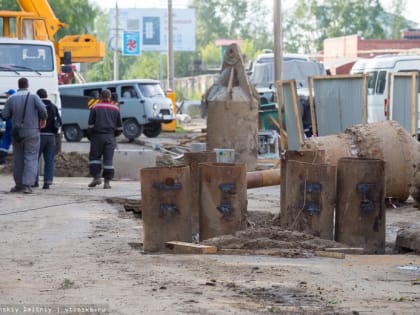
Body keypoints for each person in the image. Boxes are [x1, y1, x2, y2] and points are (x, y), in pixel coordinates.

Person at [1, 77, 47, 194]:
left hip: (17, 132)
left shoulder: (11, 98)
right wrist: (42, 119)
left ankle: (18, 185)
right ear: (27, 85)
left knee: (18, 158)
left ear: (18, 85)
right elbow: (43, 110)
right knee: (31, 157)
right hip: (32, 131)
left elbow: (5, 115)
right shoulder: (34, 97)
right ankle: (27, 185)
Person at [87, 89, 122, 189]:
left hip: (97, 136)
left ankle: (96, 177)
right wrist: (113, 135)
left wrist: (91, 136)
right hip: (110, 137)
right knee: (108, 160)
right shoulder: (116, 109)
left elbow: (90, 125)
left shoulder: (95, 107)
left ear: (100, 97)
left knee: (94, 158)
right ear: (110, 97)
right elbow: (119, 127)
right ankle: (107, 182)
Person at [34, 88, 62, 189]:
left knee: (34, 159)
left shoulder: (36, 107)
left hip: (38, 135)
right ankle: (47, 182)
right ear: (46, 95)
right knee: (49, 160)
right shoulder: (54, 107)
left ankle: (34, 182)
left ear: (37, 97)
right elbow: (59, 121)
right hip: (51, 137)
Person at [0, 89, 16, 165]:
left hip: (10, 125)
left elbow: (4, 115)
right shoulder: (18, 102)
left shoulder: (9, 102)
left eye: (7, 94)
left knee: (5, 142)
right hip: (18, 126)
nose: (6, 95)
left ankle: (2, 160)